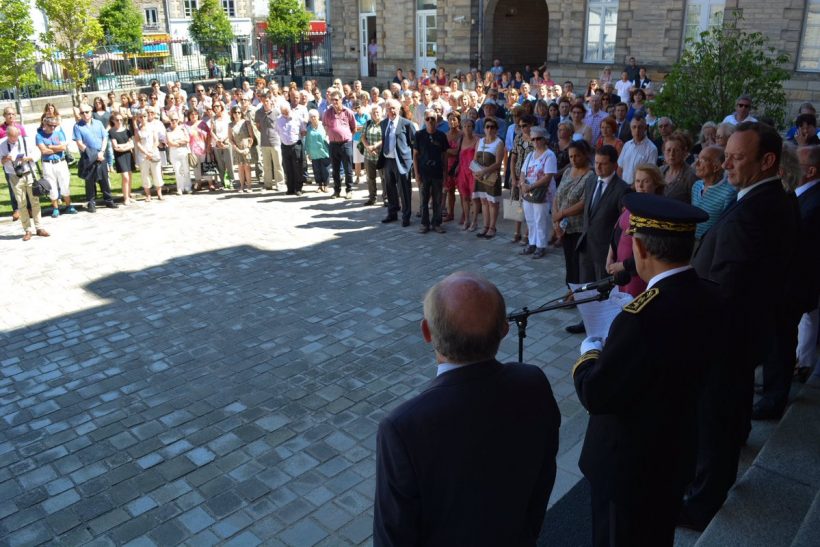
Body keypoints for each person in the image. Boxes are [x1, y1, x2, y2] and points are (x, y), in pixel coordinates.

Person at [373, 271, 561, 545]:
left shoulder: (403, 427)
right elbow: (542, 481)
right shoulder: (533, 382)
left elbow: (393, 536)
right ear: (505, 330)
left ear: (427, 332)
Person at [573, 192, 717, 547]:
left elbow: (596, 393)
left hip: (629, 468)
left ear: (640, 248)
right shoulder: (710, 294)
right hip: (674, 452)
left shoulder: (640, 319)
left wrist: (591, 351)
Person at [684, 122, 801, 530]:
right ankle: (720, 473)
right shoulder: (769, 197)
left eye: (736, 157)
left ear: (767, 161)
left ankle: (703, 504)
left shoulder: (756, 211)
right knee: (730, 415)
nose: (726, 163)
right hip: (749, 332)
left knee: (714, 420)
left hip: (727, 338)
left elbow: (726, 289)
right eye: (726, 154)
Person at [567, 145, 631, 334]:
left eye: (603, 164)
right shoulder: (591, 180)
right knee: (586, 287)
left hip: (605, 251)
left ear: (614, 164)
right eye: (596, 163)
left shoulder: (622, 189)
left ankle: (606, 326)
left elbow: (622, 224)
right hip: (586, 244)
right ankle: (586, 322)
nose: (598, 168)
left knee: (605, 290)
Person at [606, 164, 666, 297]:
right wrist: (610, 256)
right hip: (621, 272)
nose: (641, 185)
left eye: (646, 181)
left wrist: (623, 265)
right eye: (638, 181)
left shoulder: (657, 210)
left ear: (656, 183)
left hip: (637, 273)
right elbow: (617, 231)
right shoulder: (631, 203)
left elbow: (650, 250)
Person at [553, 140, 594, 285]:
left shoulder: (590, 176)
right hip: (564, 226)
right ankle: (570, 288)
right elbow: (558, 195)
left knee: (577, 261)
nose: (574, 160)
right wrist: (555, 218)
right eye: (571, 157)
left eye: (577, 156)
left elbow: (583, 203)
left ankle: (576, 291)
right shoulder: (568, 171)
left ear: (586, 155)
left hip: (578, 227)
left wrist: (562, 213)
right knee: (568, 259)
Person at [2, 126, 49, 240]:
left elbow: (37, 153)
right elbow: (1, 161)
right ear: (7, 135)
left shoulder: (26, 140)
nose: (14, 139)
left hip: (29, 173)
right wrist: (6, 159)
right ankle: (27, 230)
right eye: (11, 137)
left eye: (16, 136)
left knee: (35, 201)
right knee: (21, 203)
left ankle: (39, 227)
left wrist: (28, 158)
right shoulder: (2, 145)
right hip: (14, 176)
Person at [517, 127, 557, 259]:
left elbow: (548, 176)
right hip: (528, 192)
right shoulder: (530, 155)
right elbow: (523, 172)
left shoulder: (549, 155)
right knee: (530, 219)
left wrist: (530, 186)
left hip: (542, 193)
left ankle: (541, 245)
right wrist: (523, 184)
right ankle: (532, 243)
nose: (536, 141)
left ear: (545, 139)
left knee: (540, 219)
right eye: (533, 139)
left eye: (538, 138)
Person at [377, 99, 416, 225]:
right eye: (389, 108)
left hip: (403, 162)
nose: (391, 111)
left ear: (399, 109)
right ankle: (392, 213)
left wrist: (413, 163)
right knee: (390, 188)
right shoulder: (383, 123)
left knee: (404, 190)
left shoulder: (407, 124)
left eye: (394, 108)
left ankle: (406, 216)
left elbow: (414, 144)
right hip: (388, 160)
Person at [74, 104, 117, 212]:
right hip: (88, 156)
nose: (84, 114)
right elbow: (79, 143)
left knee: (104, 179)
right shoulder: (77, 126)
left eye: (87, 112)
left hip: (101, 154)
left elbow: (104, 137)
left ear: (91, 112)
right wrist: (93, 154)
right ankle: (91, 202)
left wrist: (101, 152)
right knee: (90, 180)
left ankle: (108, 200)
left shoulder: (98, 123)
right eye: (82, 113)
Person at [413, 109, 449, 234]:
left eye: (432, 119)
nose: (430, 121)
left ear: (436, 120)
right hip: (423, 173)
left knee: (438, 200)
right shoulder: (419, 135)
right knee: (424, 200)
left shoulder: (441, 136)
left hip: (438, 173)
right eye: (427, 119)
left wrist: (445, 174)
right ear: (424, 120)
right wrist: (416, 174)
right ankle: (425, 224)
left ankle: (437, 223)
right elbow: (415, 155)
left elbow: (445, 156)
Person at [691, 145, 736, 241]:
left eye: (702, 160)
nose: (696, 164)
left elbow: (726, 228)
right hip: (691, 240)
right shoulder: (696, 185)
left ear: (716, 167)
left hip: (710, 245)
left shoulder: (729, 193)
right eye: (697, 159)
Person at [37, 116, 76, 217]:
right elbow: (44, 151)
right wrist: (56, 148)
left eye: (55, 125)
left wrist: (50, 147)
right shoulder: (39, 135)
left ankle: (68, 206)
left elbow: (63, 147)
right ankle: (55, 208)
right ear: (45, 124)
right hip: (48, 163)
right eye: (50, 126)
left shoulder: (58, 133)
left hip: (61, 162)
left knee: (65, 184)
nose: (53, 128)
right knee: (51, 186)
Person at [472, 118, 504, 239]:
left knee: (493, 202)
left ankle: (492, 227)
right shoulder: (480, 141)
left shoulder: (499, 143)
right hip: (480, 176)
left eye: (492, 127)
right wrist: (474, 171)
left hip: (491, 177)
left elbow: (498, 163)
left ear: (496, 129)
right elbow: (475, 158)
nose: (489, 129)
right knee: (484, 202)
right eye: (487, 127)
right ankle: (485, 226)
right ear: (484, 129)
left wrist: (484, 171)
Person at [323, 89, 357, 199]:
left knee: (348, 169)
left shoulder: (348, 112)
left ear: (341, 99)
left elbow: (353, 128)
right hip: (333, 144)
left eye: (336, 100)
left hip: (346, 144)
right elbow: (325, 126)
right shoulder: (327, 113)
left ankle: (349, 190)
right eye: (332, 100)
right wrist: (333, 135)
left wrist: (345, 135)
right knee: (335, 169)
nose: (334, 102)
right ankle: (337, 190)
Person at [255, 95, 286, 192]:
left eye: (267, 100)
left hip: (275, 141)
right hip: (264, 142)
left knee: (278, 164)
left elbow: (281, 125)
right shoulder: (258, 112)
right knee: (266, 165)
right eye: (263, 100)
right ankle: (267, 184)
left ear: (271, 101)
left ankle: (280, 183)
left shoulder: (277, 112)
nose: (265, 102)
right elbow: (258, 126)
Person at [134, 110, 164, 201]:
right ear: (138, 118)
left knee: (157, 173)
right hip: (143, 155)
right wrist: (146, 153)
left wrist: (151, 152)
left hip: (153, 152)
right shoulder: (138, 130)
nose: (143, 118)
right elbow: (138, 143)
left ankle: (159, 193)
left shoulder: (152, 127)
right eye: (141, 117)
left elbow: (156, 141)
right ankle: (148, 195)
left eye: (144, 116)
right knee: (145, 174)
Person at [618, 116, 658, 184]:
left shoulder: (652, 149)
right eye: (634, 127)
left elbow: (649, 173)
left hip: (639, 188)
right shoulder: (627, 145)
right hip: (623, 186)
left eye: (640, 127)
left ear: (645, 128)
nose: (637, 130)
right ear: (630, 128)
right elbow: (620, 168)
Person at [276, 103, 305, 196]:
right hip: (284, 146)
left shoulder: (297, 117)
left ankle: (298, 188)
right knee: (287, 168)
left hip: (296, 144)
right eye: (283, 112)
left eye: (287, 112)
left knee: (297, 168)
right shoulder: (279, 120)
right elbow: (277, 131)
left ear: (290, 110)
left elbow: (303, 130)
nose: (285, 114)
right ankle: (290, 188)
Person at [661, 131, 697, 203]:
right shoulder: (659, 171)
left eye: (676, 150)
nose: (671, 154)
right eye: (668, 150)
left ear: (684, 152)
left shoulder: (691, 175)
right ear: (664, 152)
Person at [456, 118, 479, 231]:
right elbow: (457, 155)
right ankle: (467, 219)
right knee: (464, 197)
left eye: (469, 126)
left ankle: (475, 221)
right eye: (465, 126)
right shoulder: (460, 140)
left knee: (474, 198)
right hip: (462, 171)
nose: (467, 128)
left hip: (473, 172)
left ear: (473, 128)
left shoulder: (478, 140)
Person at [108, 113, 136, 204]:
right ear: (113, 121)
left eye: (121, 120)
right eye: (117, 120)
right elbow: (115, 147)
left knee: (130, 175)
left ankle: (129, 194)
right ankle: (125, 198)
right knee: (125, 177)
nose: (119, 121)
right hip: (120, 156)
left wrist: (123, 147)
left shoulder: (127, 130)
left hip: (128, 155)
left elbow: (132, 144)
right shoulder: (112, 132)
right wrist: (126, 146)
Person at [305, 109, 331, 194]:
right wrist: (308, 152)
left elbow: (328, 136)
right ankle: (320, 185)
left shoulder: (323, 126)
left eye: (314, 116)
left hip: (324, 151)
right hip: (314, 152)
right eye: (311, 117)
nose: (313, 118)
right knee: (316, 170)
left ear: (318, 117)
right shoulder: (308, 128)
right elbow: (307, 141)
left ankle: (326, 185)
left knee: (325, 170)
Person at [166, 113, 192, 195]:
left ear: (178, 120)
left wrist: (176, 142)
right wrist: (180, 142)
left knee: (186, 170)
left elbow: (187, 140)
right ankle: (180, 188)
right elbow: (170, 143)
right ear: (169, 121)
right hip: (174, 153)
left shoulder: (183, 129)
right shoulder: (168, 130)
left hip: (184, 152)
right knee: (177, 171)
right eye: (172, 120)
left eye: (175, 120)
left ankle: (188, 187)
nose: (174, 121)